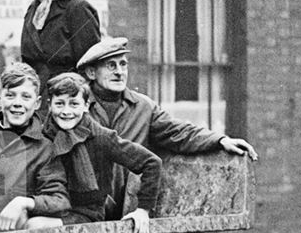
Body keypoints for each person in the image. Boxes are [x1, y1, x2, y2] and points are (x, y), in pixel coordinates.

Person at [76, 36, 258, 213]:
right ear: (92, 73)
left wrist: (220, 140)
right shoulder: (76, 106)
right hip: (87, 208)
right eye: (111, 66)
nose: (119, 72)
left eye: (123, 64)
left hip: (128, 208)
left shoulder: (143, 107)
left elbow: (179, 132)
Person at [43, 72, 161, 233]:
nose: (66, 111)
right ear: (49, 105)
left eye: (74, 104)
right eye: (60, 104)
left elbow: (151, 162)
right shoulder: (44, 135)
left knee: (34, 226)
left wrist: (142, 210)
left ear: (85, 106)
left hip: (87, 214)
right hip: (51, 207)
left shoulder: (101, 137)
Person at [0, 63, 69, 232]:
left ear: (37, 103)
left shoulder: (44, 149)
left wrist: (25, 202)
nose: (17, 103)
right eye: (10, 95)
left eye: (26, 97)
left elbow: (59, 199)